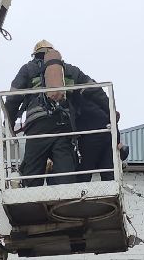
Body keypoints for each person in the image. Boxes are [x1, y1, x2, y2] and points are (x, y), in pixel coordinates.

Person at [6, 41, 110, 185]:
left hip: (37, 128)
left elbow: (13, 99)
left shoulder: (28, 69)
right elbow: (95, 91)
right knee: (66, 172)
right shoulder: (69, 70)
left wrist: (8, 124)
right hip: (63, 126)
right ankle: (65, 202)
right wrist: (110, 111)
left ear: (35, 54)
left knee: (32, 171)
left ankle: (31, 201)